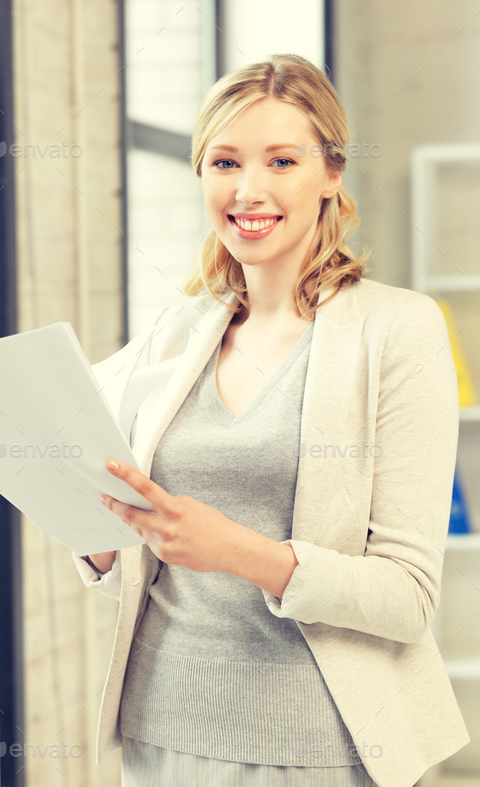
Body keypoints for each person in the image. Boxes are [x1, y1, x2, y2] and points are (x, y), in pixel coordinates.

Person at [72, 53, 470, 787]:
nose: (249, 189)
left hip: (318, 745)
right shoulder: (175, 332)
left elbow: (407, 597)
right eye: (225, 161)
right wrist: (95, 538)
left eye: (281, 160)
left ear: (331, 174)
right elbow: (148, 553)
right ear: (200, 175)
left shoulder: (400, 330)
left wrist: (238, 550)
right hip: (162, 732)